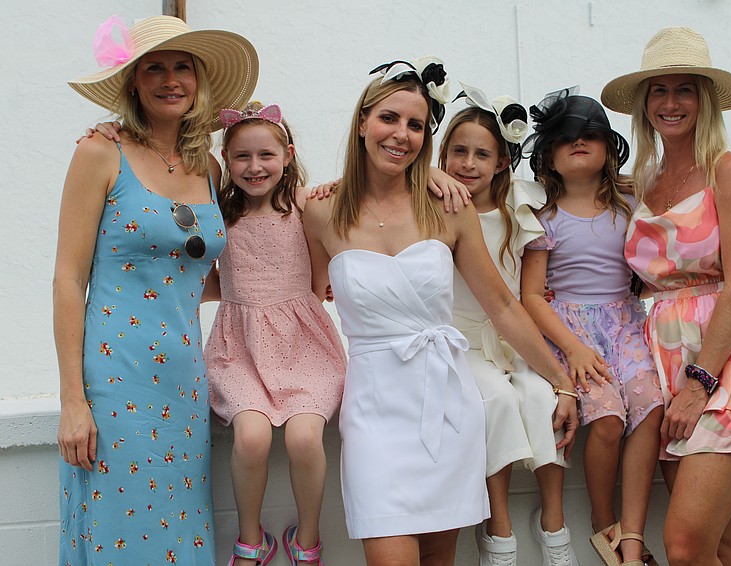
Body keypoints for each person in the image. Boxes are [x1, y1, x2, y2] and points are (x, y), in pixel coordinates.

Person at [301, 57, 580, 566]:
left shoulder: (448, 207)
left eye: (415, 125)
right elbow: (308, 293)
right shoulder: (319, 211)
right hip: (374, 413)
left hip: (448, 402)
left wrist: (560, 381)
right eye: (389, 118)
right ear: (362, 122)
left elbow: (502, 305)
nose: (401, 134)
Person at [54, 15, 257, 565]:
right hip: (115, 381)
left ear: (199, 81)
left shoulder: (208, 167)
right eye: (155, 68)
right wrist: (73, 402)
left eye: (183, 67)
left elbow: (209, 265)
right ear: (133, 83)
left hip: (184, 380)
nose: (171, 79)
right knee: (115, 525)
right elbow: (69, 280)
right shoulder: (100, 153)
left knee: (176, 528)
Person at [601, 27, 731, 565]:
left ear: (705, 100)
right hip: (666, 359)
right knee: (720, 543)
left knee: (685, 544)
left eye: (684, 89)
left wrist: (699, 384)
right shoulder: (641, 182)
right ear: (645, 105)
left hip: (724, 364)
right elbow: (551, 186)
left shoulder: (728, 171)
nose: (671, 103)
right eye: (659, 91)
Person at [520, 89, 664, 566]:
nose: (577, 143)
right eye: (564, 139)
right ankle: (606, 527)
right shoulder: (544, 216)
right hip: (571, 331)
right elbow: (531, 296)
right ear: (548, 156)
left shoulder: (630, 201)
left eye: (589, 135)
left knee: (649, 405)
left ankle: (634, 534)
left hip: (625, 321)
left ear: (608, 146)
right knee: (605, 419)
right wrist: (573, 349)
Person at [438, 84, 580, 566]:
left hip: (512, 338)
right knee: (494, 401)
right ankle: (497, 527)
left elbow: (517, 295)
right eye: (459, 151)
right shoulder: (434, 205)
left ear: (502, 161)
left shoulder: (516, 205)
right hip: (462, 341)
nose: (469, 164)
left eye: (482, 154)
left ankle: (554, 524)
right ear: (443, 154)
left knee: (540, 398)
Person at [202, 102, 346, 565]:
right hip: (239, 347)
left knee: (305, 438)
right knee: (251, 438)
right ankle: (251, 540)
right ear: (225, 159)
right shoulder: (217, 209)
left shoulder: (305, 203)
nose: (254, 166)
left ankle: (306, 539)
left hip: (303, 345)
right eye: (241, 156)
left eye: (266, 154)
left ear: (287, 153)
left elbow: (370, 187)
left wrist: (437, 175)